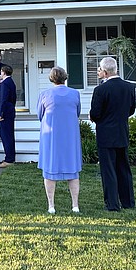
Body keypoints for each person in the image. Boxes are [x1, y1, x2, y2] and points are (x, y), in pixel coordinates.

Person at [89, 57, 136, 211]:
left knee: (108, 170)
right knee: (124, 168)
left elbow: (95, 113)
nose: (98, 72)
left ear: (105, 72)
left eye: (99, 69)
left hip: (105, 134)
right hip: (122, 132)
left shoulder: (100, 90)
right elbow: (131, 110)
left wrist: (93, 117)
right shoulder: (129, 87)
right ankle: (128, 202)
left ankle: (112, 204)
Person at [37, 66, 82, 214]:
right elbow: (77, 112)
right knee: (72, 170)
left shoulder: (45, 94)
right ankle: (75, 205)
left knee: (50, 170)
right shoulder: (75, 94)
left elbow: (39, 115)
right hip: (70, 136)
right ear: (65, 77)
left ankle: (51, 206)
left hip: (51, 136)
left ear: (51, 78)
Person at [0, 65, 16, 168]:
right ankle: (10, 157)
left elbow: (3, 99)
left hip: (5, 113)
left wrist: (0, 114)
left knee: (6, 136)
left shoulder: (5, 84)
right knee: (8, 135)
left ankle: (9, 159)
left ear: (3, 72)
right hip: (10, 111)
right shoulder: (10, 82)